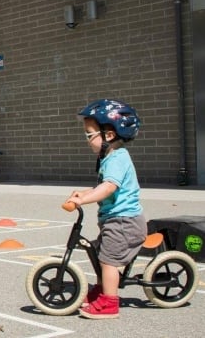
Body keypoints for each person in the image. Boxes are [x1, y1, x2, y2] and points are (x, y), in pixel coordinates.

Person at [65, 99, 145, 319]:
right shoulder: (109, 157)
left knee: (109, 260)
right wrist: (85, 193)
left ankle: (110, 303)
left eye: (89, 135)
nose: (87, 141)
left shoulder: (117, 158)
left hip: (125, 222)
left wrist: (85, 200)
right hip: (116, 220)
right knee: (100, 252)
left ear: (108, 135)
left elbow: (109, 187)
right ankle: (102, 291)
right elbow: (103, 186)